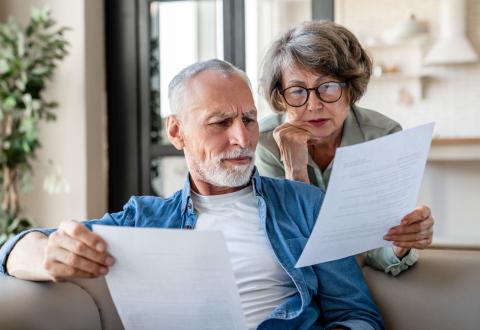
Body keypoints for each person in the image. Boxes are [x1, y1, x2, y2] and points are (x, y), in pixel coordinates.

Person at [0, 59, 383, 329]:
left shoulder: (304, 203)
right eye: (220, 122)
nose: (243, 138)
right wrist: (49, 256)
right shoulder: (144, 221)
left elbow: (356, 314)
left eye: (249, 119)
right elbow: (13, 248)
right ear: (176, 132)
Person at [256, 21, 434, 276]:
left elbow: (375, 246)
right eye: (297, 91)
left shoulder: (383, 137)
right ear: (280, 96)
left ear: (350, 89)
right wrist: (296, 173)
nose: (314, 105)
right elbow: (288, 247)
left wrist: (400, 244)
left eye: (327, 87)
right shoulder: (265, 143)